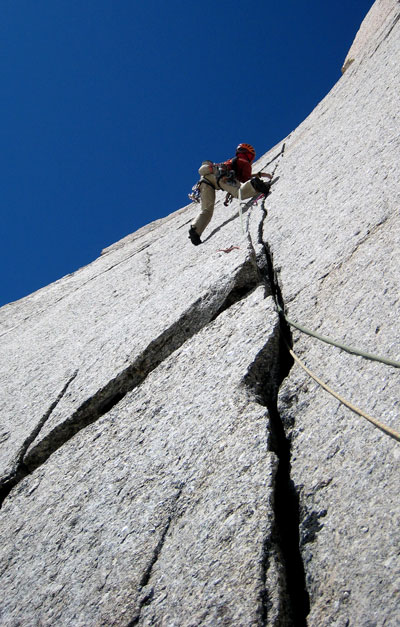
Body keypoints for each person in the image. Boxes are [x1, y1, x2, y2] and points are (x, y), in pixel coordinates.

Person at [189, 143, 272, 245]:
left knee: (206, 210)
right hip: (223, 177)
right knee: (240, 193)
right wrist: (257, 179)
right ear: (247, 154)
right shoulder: (243, 161)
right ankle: (256, 186)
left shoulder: (229, 162)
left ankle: (195, 231)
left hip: (206, 181)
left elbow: (242, 178)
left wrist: (260, 174)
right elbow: (245, 178)